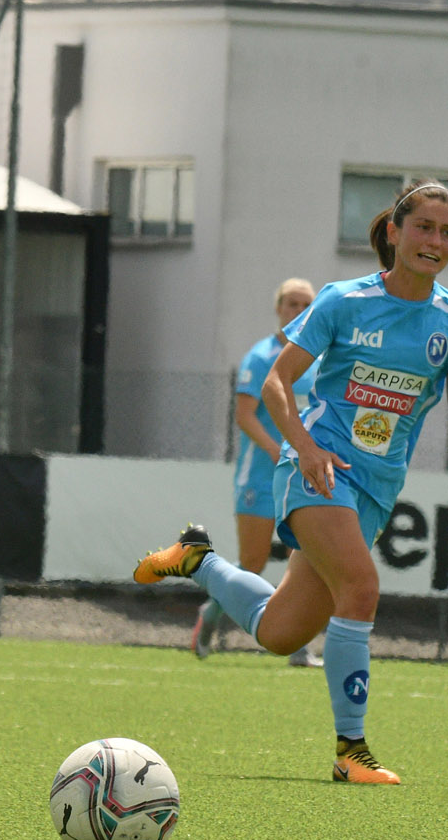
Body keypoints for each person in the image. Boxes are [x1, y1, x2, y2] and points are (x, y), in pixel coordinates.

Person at [135, 179, 448, 784]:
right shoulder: (344, 301)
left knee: (279, 633)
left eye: (446, 232)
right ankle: (351, 751)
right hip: (318, 467)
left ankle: (197, 559)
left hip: (376, 488)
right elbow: (277, 382)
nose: (435, 240)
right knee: (361, 585)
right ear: (394, 232)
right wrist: (304, 447)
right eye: (424, 226)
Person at [192, 278, 324, 666]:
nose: (298, 311)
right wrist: (277, 448)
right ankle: (210, 614)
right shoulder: (261, 355)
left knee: (306, 563)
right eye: (291, 304)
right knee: (253, 561)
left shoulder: (317, 359)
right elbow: (245, 415)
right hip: (261, 476)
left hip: (302, 475)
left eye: (306, 305)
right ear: (278, 308)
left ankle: (298, 646)